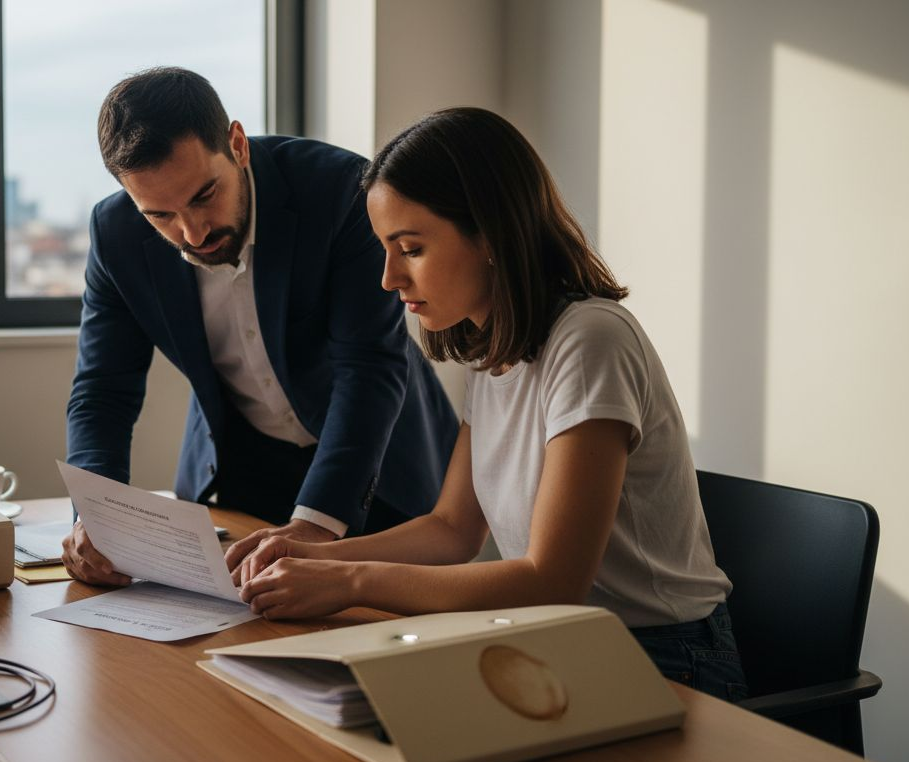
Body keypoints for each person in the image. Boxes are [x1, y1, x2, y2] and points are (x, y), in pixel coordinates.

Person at [236, 107, 749, 701]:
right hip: (561, 638)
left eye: (410, 248)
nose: (388, 278)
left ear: (489, 233)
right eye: (384, 249)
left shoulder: (590, 341)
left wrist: (350, 579)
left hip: (661, 657)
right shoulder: (496, 350)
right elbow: (453, 529)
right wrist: (315, 555)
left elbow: (552, 580)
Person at [62, 68, 458, 587]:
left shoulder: (340, 190)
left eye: (204, 195)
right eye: (160, 215)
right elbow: (102, 390)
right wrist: (99, 512)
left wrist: (316, 523)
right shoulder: (114, 233)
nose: (192, 232)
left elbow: (368, 367)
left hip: (374, 471)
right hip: (240, 474)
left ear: (237, 144)